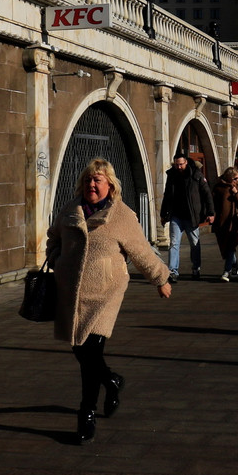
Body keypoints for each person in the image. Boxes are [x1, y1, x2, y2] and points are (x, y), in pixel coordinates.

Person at [46, 158, 172, 444]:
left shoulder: (122, 215)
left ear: (110, 185)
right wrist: (57, 259)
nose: (92, 184)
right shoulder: (70, 210)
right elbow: (53, 239)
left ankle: (86, 414)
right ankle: (112, 381)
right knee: (81, 352)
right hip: (72, 294)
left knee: (90, 353)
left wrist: (160, 279)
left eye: (98, 180)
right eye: (89, 179)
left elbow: (142, 252)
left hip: (105, 292)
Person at [159, 152, 215, 283]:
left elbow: (207, 194)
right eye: (176, 165)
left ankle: (196, 268)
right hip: (176, 216)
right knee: (174, 243)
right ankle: (173, 271)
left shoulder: (196, 175)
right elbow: (167, 195)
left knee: (194, 243)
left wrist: (211, 213)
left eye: (181, 164)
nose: (178, 167)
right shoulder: (172, 176)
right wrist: (163, 215)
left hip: (191, 216)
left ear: (186, 163)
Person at [211, 166, 238, 282]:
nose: (237, 180)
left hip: (235, 222)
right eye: (235, 178)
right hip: (222, 222)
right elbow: (213, 203)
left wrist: (236, 193)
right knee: (225, 247)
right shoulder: (218, 188)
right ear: (229, 178)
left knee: (232, 246)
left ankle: (226, 271)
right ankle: (235, 264)